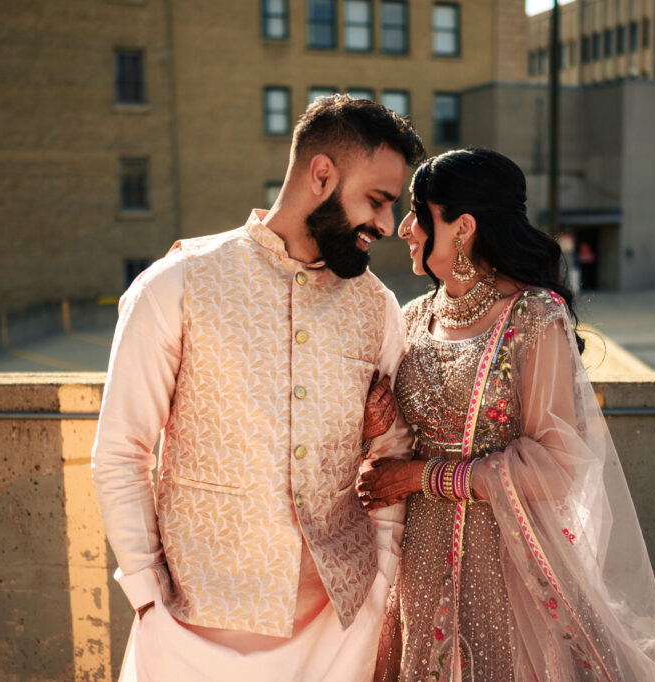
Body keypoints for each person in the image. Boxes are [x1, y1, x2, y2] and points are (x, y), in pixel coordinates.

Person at [91, 94, 424, 682]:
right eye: (376, 200)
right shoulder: (176, 284)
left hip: (337, 629)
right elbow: (122, 451)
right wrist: (146, 599)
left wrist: (383, 569)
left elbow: (394, 448)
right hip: (193, 632)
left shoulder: (377, 307)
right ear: (322, 174)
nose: (387, 225)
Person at [358, 149, 655, 681]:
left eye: (418, 212)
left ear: (463, 227)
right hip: (421, 557)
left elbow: (556, 463)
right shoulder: (409, 319)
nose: (404, 228)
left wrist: (421, 477)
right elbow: (399, 440)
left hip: (508, 562)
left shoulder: (533, 316)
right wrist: (373, 428)